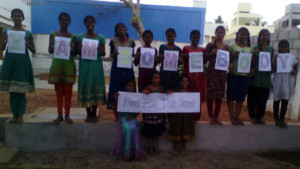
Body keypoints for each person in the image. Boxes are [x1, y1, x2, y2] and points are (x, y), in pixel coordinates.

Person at [0, 8, 36, 123]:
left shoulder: (27, 33)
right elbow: (2, 49)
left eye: (19, 16)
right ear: (11, 18)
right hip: (10, 62)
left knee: (21, 91)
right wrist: (3, 43)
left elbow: (34, 50)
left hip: (22, 63)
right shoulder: (6, 31)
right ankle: (14, 114)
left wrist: (27, 44)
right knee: (12, 91)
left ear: (23, 18)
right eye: (14, 15)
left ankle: (20, 114)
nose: (17, 18)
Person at [48, 12, 76, 124]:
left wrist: (73, 48)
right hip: (57, 66)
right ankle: (59, 115)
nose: (64, 21)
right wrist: (51, 46)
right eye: (62, 19)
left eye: (66, 20)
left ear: (69, 22)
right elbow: (50, 51)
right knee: (58, 91)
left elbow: (75, 53)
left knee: (68, 92)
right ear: (59, 21)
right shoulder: (53, 35)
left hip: (69, 66)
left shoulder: (73, 37)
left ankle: (67, 115)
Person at [77, 16, 106, 123]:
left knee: (95, 87)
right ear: (84, 23)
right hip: (85, 65)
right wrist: (80, 49)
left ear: (95, 24)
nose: (90, 24)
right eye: (88, 22)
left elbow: (103, 54)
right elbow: (78, 52)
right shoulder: (80, 37)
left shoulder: (101, 37)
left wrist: (100, 49)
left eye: (92, 22)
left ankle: (94, 113)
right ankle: (88, 114)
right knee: (86, 86)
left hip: (96, 66)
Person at [107, 23, 136, 120]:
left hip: (128, 68)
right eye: (119, 28)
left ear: (126, 29)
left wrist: (133, 55)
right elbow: (110, 55)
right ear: (116, 30)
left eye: (123, 27)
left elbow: (132, 54)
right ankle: (117, 115)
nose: (121, 29)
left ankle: (127, 113)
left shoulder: (131, 41)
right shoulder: (113, 41)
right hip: (117, 68)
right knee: (116, 89)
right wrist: (113, 54)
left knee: (128, 88)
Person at [113, 79, 145, 161]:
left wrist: (133, 117)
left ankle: (135, 153)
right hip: (123, 117)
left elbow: (138, 110)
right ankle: (127, 154)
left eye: (132, 86)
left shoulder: (136, 96)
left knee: (133, 128)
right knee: (127, 129)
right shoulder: (121, 95)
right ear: (125, 86)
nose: (131, 87)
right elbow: (117, 109)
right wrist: (116, 99)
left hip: (132, 118)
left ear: (135, 87)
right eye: (129, 85)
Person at [227, 27, 253, 126]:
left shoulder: (250, 48)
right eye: (242, 34)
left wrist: (251, 69)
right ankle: (231, 116)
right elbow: (227, 60)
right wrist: (233, 55)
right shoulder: (232, 46)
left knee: (240, 97)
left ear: (248, 36)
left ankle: (237, 117)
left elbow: (251, 63)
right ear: (237, 35)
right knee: (230, 96)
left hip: (245, 76)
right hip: (233, 74)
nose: (243, 36)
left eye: (246, 34)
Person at [248, 29, 274, 125]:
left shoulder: (271, 49)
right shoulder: (254, 48)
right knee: (252, 100)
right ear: (260, 36)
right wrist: (254, 54)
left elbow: (271, 63)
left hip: (265, 79)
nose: (265, 36)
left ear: (269, 37)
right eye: (263, 34)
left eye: (267, 35)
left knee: (262, 100)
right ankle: (252, 117)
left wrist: (272, 69)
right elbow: (251, 63)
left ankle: (260, 117)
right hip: (255, 78)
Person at [204, 26, 229, 125]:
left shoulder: (226, 47)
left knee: (219, 96)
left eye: (222, 32)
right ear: (215, 33)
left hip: (222, 74)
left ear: (224, 34)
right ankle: (211, 117)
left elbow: (228, 60)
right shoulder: (210, 45)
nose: (220, 34)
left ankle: (216, 116)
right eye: (218, 32)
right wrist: (211, 53)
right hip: (211, 73)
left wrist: (229, 65)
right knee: (210, 96)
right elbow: (204, 58)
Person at [272, 40, 298, 128]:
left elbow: (295, 68)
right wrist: (275, 60)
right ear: (278, 47)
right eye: (281, 46)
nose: (283, 48)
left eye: (285, 46)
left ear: (288, 48)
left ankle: (282, 119)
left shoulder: (292, 57)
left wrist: (294, 71)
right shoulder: (276, 57)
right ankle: (276, 118)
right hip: (278, 81)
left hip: (288, 82)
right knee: (276, 100)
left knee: (285, 101)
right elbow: (273, 69)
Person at [167, 75, 195, 156]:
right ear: (180, 82)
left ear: (189, 83)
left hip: (187, 115)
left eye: (187, 81)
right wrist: (170, 93)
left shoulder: (191, 93)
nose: (185, 83)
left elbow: (193, 103)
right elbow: (171, 100)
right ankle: (175, 148)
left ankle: (183, 148)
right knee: (177, 129)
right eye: (183, 81)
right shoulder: (176, 92)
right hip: (177, 115)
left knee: (185, 129)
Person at [181, 30, 204, 122]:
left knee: (197, 97)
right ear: (190, 38)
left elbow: (205, 61)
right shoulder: (186, 48)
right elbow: (182, 58)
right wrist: (184, 57)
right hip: (188, 76)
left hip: (199, 77)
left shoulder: (202, 50)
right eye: (194, 37)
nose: (196, 39)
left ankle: (195, 118)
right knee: (186, 96)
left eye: (197, 37)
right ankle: (186, 117)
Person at [142, 71, 166, 155]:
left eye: (158, 78)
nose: (156, 79)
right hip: (149, 114)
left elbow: (165, 100)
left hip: (158, 114)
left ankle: (156, 146)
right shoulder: (147, 88)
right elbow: (142, 98)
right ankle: (150, 146)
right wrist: (144, 93)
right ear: (151, 79)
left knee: (157, 132)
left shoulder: (162, 88)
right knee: (149, 131)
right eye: (155, 78)